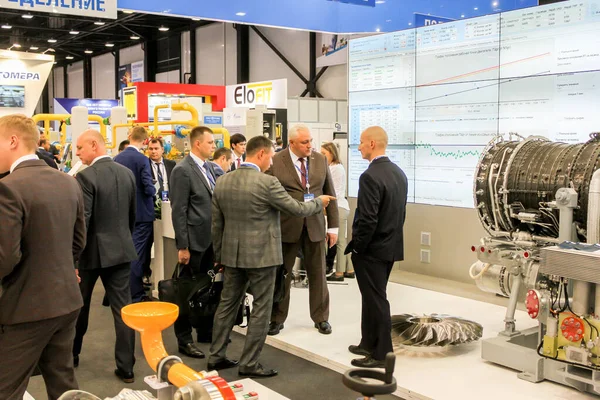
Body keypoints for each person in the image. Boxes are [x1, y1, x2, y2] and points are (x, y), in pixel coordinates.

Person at [209, 136, 336, 377]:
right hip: (262, 258)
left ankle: (216, 356)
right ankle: (249, 364)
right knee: (261, 309)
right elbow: (297, 209)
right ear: (260, 155)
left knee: (226, 306)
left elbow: (217, 225)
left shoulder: (223, 182)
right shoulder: (267, 183)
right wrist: (319, 202)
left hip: (231, 257)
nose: (271, 162)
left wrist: (219, 257)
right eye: (269, 156)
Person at [0, 114, 86, 400]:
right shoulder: (68, 182)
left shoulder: (9, 187)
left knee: (6, 387)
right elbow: (78, 242)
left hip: (26, 307)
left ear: (13, 140)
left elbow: (5, 258)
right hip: (67, 300)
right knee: (63, 385)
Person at [72, 130, 138, 383]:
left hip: (89, 254)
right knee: (124, 311)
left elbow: (83, 223)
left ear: (93, 145)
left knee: (79, 307)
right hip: (121, 251)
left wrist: (73, 258)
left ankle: (72, 354)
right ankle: (127, 367)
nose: (77, 153)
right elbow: (132, 215)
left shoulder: (85, 177)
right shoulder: (127, 174)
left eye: (79, 147)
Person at [345, 126, 408, 368]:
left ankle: (382, 353)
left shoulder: (369, 176)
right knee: (371, 297)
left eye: (361, 142)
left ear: (372, 144)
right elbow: (399, 214)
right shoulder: (398, 173)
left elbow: (368, 219)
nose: (358, 147)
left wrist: (359, 247)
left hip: (371, 250)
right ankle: (367, 342)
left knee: (377, 299)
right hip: (390, 248)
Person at [267, 124, 339, 336]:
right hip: (286, 227)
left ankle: (321, 318)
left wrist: (333, 226)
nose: (310, 145)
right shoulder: (277, 161)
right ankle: (277, 318)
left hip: (315, 226)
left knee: (318, 275)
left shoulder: (320, 160)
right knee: (283, 275)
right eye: (304, 142)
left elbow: (330, 193)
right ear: (291, 143)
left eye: (310, 141)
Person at [170, 126, 217, 357]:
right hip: (194, 243)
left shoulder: (209, 168)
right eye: (210, 142)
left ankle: (205, 331)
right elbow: (178, 210)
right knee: (186, 292)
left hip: (211, 242)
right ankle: (184, 339)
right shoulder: (183, 170)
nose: (214, 146)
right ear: (198, 144)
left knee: (207, 289)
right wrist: (182, 245)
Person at [114, 126, 156, 303]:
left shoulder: (117, 158)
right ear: (145, 141)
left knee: (125, 253)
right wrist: (155, 189)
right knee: (137, 255)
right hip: (142, 214)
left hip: (123, 213)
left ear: (130, 137)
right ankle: (136, 294)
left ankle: (121, 292)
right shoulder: (142, 159)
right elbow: (147, 186)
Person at [321, 142, 353, 282]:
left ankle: (339, 272)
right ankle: (350, 269)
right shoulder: (335, 167)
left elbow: (333, 192)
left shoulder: (335, 169)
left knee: (339, 242)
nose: (322, 157)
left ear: (332, 154)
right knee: (342, 241)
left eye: (324, 154)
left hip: (338, 207)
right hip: (341, 207)